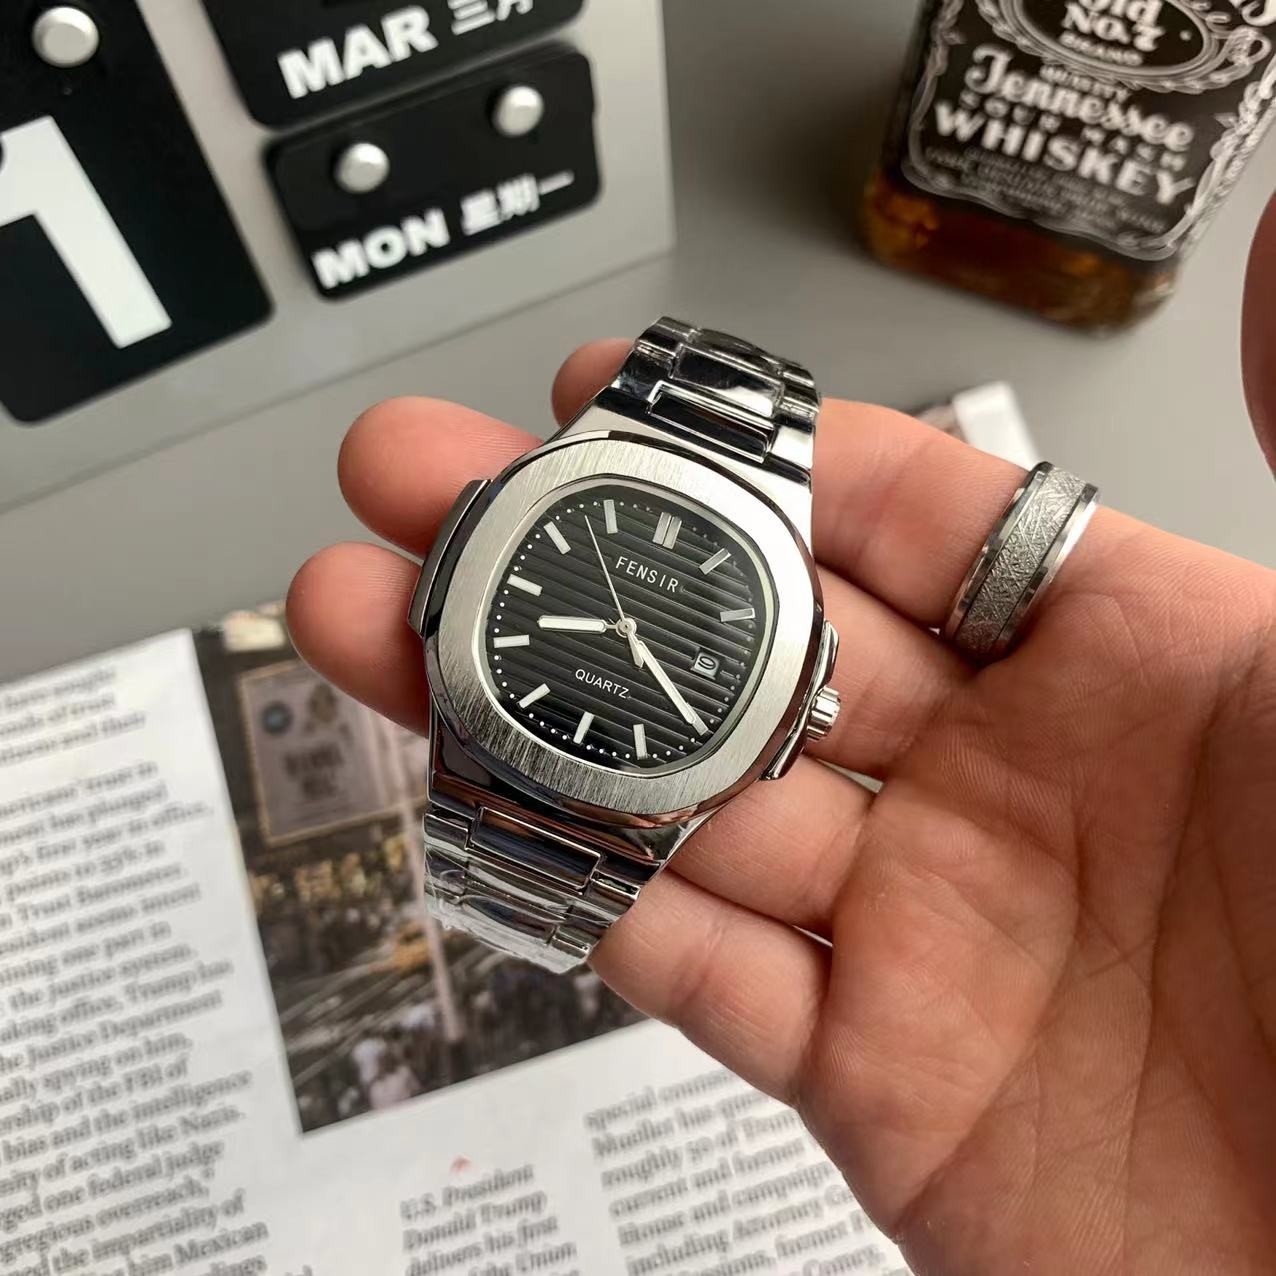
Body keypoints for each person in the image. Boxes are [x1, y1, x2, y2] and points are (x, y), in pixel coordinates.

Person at [285, 200, 1276, 1272]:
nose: (631, 632)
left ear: (800, 712)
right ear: (451, 577)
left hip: (597, 736)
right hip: (518, 703)